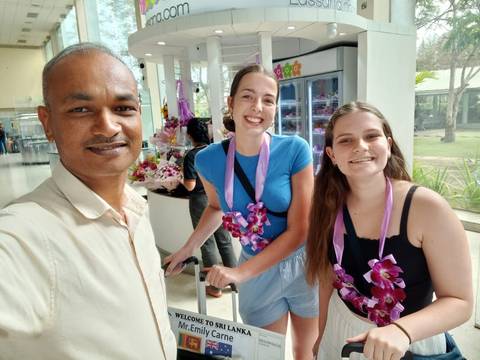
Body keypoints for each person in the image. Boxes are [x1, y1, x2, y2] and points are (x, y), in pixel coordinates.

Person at [0, 43, 176, 359]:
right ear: (47, 122)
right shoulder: (24, 236)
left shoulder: (135, 208)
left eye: (123, 108)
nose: (108, 127)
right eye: (81, 110)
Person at [165, 64, 319, 360]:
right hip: (257, 273)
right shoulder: (208, 160)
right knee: (266, 356)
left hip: (303, 266)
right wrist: (188, 248)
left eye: (268, 99)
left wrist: (238, 272)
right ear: (231, 103)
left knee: (306, 354)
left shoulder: (294, 150)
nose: (257, 107)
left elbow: (300, 230)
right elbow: (215, 207)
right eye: (248, 96)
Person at [305, 101, 473, 360]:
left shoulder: (426, 207)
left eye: (371, 136)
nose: (360, 146)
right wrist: (322, 335)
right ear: (331, 155)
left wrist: (401, 330)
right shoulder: (328, 203)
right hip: (341, 332)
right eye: (346, 140)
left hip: (410, 342)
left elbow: (460, 302)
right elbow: (328, 280)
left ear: (388, 143)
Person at [182, 117, 237, 298]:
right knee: (224, 239)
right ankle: (235, 281)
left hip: (200, 200)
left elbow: (190, 185)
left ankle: (215, 287)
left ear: (190, 135)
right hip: (220, 198)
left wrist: (179, 180)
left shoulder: (192, 156)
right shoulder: (216, 151)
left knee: (206, 242)